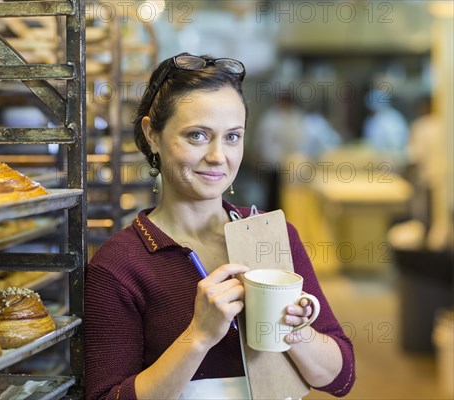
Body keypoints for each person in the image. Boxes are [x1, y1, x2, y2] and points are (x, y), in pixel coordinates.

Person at [84, 53, 355, 400]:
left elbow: (341, 376)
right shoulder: (120, 265)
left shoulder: (271, 236)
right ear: (152, 134)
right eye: (197, 135)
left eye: (232, 137)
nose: (218, 157)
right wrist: (198, 335)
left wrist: (295, 331)